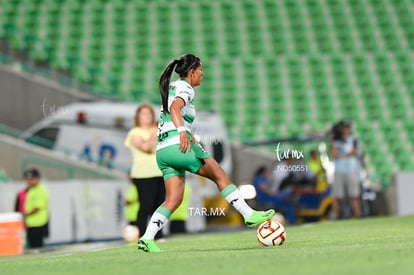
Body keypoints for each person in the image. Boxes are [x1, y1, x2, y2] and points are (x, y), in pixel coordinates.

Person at [137, 54, 275, 252]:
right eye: (200, 69)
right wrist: (183, 133)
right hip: (178, 146)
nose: (203, 74)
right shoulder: (185, 88)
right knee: (219, 174)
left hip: (163, 151)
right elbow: (176, 107)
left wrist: (188, 133)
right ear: (191, 72)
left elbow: (171, 114)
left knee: (173, 199)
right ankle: (248, 214)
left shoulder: (172, 87)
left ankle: (147, 238)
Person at [124, 104, 165, 239]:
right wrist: (155, 132)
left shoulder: (157, 130)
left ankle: (158, 234)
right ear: (138, 117)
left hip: (159, 172)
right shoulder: (135, 132)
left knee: (159, 206)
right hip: (143, 175)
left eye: (149, 113)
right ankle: (142, 234)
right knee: (146, 205)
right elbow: (145, 147)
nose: (147, 116)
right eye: (144, 114)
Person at [330, 121, 361, 219]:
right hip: (339, 170)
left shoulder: (353, 140)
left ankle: (358, 216)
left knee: (354, 195)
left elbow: (354, 152)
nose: (347, 130)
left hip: (351, 170)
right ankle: (336, 217)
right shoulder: (335, 141)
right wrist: (346, 154)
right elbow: (334, 154)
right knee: (336, 196)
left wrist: (342, 155)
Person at [23, 168, 50, 248]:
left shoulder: (40, 190)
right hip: (32, 223)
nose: (29, 181)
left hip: (39, 223)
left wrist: (26, 214)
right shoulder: (32, 190)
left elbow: (37, 207)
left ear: (38, 178)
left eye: (32, 179)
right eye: (28, 179)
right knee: (33, 245)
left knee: (37, 246)